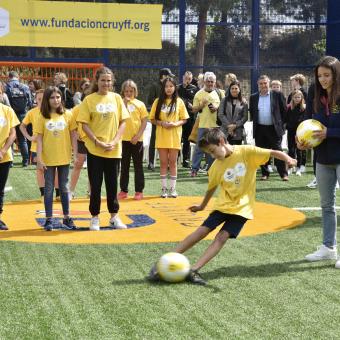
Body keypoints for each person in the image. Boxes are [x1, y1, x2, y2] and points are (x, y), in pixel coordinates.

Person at [149, 128, 296, 284]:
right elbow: (211, 189)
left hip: (242, 209)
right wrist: (201, 206)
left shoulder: (247, 152)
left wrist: (288, 159)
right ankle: (163, 262)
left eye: (213, 151)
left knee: (222, 237)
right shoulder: (215, 167)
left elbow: (273, 152)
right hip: (223, 206)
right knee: (201, 231)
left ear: (221, 142)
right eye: (210, 153)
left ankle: (194, 270)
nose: (213, 156)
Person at [297, 56, 340, 268]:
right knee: (326, 205)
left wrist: (328, 133)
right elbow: (307, 122)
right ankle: (328, 248)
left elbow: (325, 130)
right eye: (319, 75)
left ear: (335, 75)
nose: (322, 80)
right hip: (322, 157)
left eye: (327, 75)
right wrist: (303, 141)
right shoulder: (314, 92)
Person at [77, 66, 129, 231]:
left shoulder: (117, 98)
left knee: (113, 185)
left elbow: (123, 122)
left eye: (108, 80)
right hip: (95, 150)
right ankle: (94, 218)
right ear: (97, 81)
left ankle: (114, 217)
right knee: (96, 185)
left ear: (112, 81)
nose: (106, 83)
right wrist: (97, 142)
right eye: (103, 80)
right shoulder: (89, 100)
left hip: (114, 150)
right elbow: (83, 124)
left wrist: (114, 141)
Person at [36, 86, 78, 231]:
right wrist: (39, 159)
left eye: (58, 97)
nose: (56, 100)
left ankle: (67, 218)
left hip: (64, 158)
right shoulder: (41, 117)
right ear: (47, 100)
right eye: (52, 97)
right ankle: (49, 220)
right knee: (48, 189)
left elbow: (73, 135)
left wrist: (76, 153)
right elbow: (39, 139)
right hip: (48, 159)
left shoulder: (68, 114)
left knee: (64, 188)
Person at [149, 77, 189, 198]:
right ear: (163, 88)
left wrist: (175, 124)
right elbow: (152, 119)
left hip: (175, 136)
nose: (169, 88)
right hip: (162, 136)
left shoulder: (179, 102)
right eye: (166, 86)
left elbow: (184, 119)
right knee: (163, 162)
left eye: (171, 86)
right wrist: (162, 123)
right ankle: (164, 189)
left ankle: (173, 189)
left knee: (173, 163)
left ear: (175, 87)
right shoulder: (157, 101)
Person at [249, 74, 288, 181]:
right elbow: (252, 113)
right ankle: (265, 173)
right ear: (258, 85)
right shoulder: (253, 97)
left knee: (278, 151)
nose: (263, 85)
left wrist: (282, 127)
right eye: (261, 83)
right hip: (260, 129)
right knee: (262, 152)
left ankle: (283, 174)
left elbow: (284, 112)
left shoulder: (277, 95)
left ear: (269, 83)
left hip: (274, 129)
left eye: (265, 83)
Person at [118, 79, 148, 200]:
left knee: (138, 166)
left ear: (135, 91)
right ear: (123, 92)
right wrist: (124, 103)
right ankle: (123, 190)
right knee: (124, 166)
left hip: (137, 140)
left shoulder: (140, 104)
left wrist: (138, 135)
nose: (129, 93)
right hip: (123, 140)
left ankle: (139, 191)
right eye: (126, 91)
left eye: (131, 91)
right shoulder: (120, 103)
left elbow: (144, 121)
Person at [190, 72, 224, 177]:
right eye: (208, 81)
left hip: (216, 126)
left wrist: (216, 108)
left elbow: (225, 107)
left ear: (215, 82)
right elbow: (194, 110)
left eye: (212, 82)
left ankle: (211, 170)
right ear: (204, 81)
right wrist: (201, 105)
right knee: (199, 148)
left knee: (213, 148)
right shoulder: (198, 94)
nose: (210, 83)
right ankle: (194, 169)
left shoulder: (220, 93)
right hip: (203, 125)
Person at [147, 68, 175, 171]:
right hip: (157, 118)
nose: (170, 77)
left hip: (169, 118)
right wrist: (161, 101)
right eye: (168, 75)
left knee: (168, 140)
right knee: (153, 139)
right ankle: (151, 163)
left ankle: (168, 163)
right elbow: (149, 100)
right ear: (162, 76)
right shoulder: (155, 85)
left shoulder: (172, 85)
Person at [20, 89, 45, 200]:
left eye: (44, 99)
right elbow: (22, 126)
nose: (41, 101)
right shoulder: (32, 112)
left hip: (53, 147)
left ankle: (58, 194)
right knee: (40, 170)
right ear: (35, 100)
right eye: (39, 99)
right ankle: (43, 194)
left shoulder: (55, 111)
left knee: (56, 170)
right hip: (36, 147)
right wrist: (29, 137)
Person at [6, 71, 32, 167]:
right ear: (18, 77)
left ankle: (10, 161)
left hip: (11, 115)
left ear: (9, 77)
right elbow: (30, 102)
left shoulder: (8, 86)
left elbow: (6, 102)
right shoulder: (24, 86)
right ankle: (25, 160)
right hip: (23, 115)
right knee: (22, 139)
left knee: (10, 138)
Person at [0, 102, 20, 230]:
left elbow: (13, 134)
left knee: (0, 189)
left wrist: (2, 151)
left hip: (4, 156)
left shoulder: (7, 110)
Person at [177, 71, 198, 168]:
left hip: (189, 118)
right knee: (177, 139)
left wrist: (189, 104)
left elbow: (195, 102)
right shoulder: (177, 88)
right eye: (186, 78)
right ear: (183, 78)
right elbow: (177, 100)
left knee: (186, 140)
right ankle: (175, 159)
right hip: (178, 117)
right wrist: (186, 102)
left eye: (189, 79)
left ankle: (185, 160)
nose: (187, 80)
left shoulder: (194, 89)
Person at [218, 80, 248, 145]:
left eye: (236, 88)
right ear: (230, 89)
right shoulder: (224, 100)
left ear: (239, 89)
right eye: (232, 88)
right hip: (225, 132)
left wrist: (235, 125)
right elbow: (220, 114)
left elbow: (245, 117)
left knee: (236, 152)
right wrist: (229, 126)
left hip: (237, 132)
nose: (234, 90)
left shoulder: (244, 102)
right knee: (225, 153)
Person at [286, 89, 306, 176]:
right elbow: (286, 119)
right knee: (291, 149)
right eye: (295, 97)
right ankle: (290, 167)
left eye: (299, 97)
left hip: (300, 132)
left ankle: (298, 168)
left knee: (299, 150)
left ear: (302, 98)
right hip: (291, 131)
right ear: (292, 98)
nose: (297, 98)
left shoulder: (304, 108)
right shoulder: (289, 107)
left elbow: (306, 119)